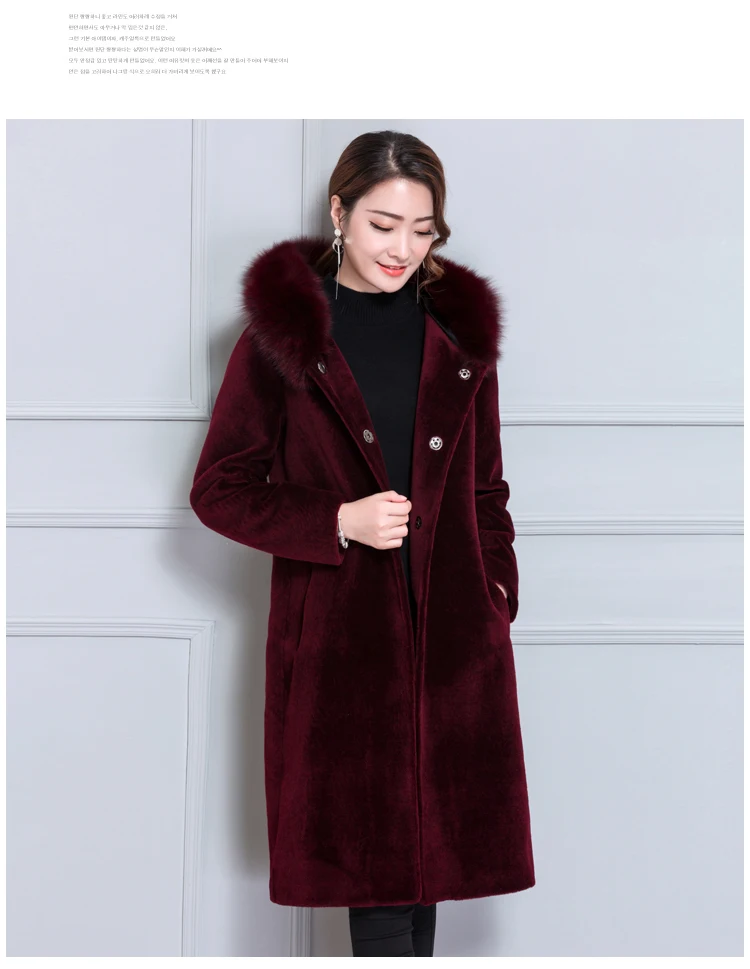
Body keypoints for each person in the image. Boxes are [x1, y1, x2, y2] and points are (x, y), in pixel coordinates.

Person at [190, 130, 535, 957]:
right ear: (340, 212)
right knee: (376, 880)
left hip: (455, 640)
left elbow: (486, 490)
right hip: (344, 646)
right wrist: (338, 520)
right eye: (384, 225)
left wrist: (496, 597)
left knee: (426, 879)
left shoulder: (458, 337)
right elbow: (219, 488)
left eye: (423, 229)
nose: (403, 249)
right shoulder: (282, 337)